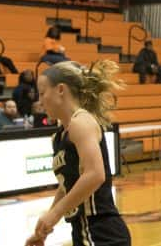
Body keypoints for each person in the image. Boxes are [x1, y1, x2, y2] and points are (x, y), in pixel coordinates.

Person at [26, 60, 131, 246]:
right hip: (84, 230)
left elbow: (95, 174)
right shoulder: (60, 135)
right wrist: (46, 225)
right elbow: (67, 184)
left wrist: (56, 212)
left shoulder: (80, 122)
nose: (40, 101)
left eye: (42, 93)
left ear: (60, 89)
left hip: (101, 232)